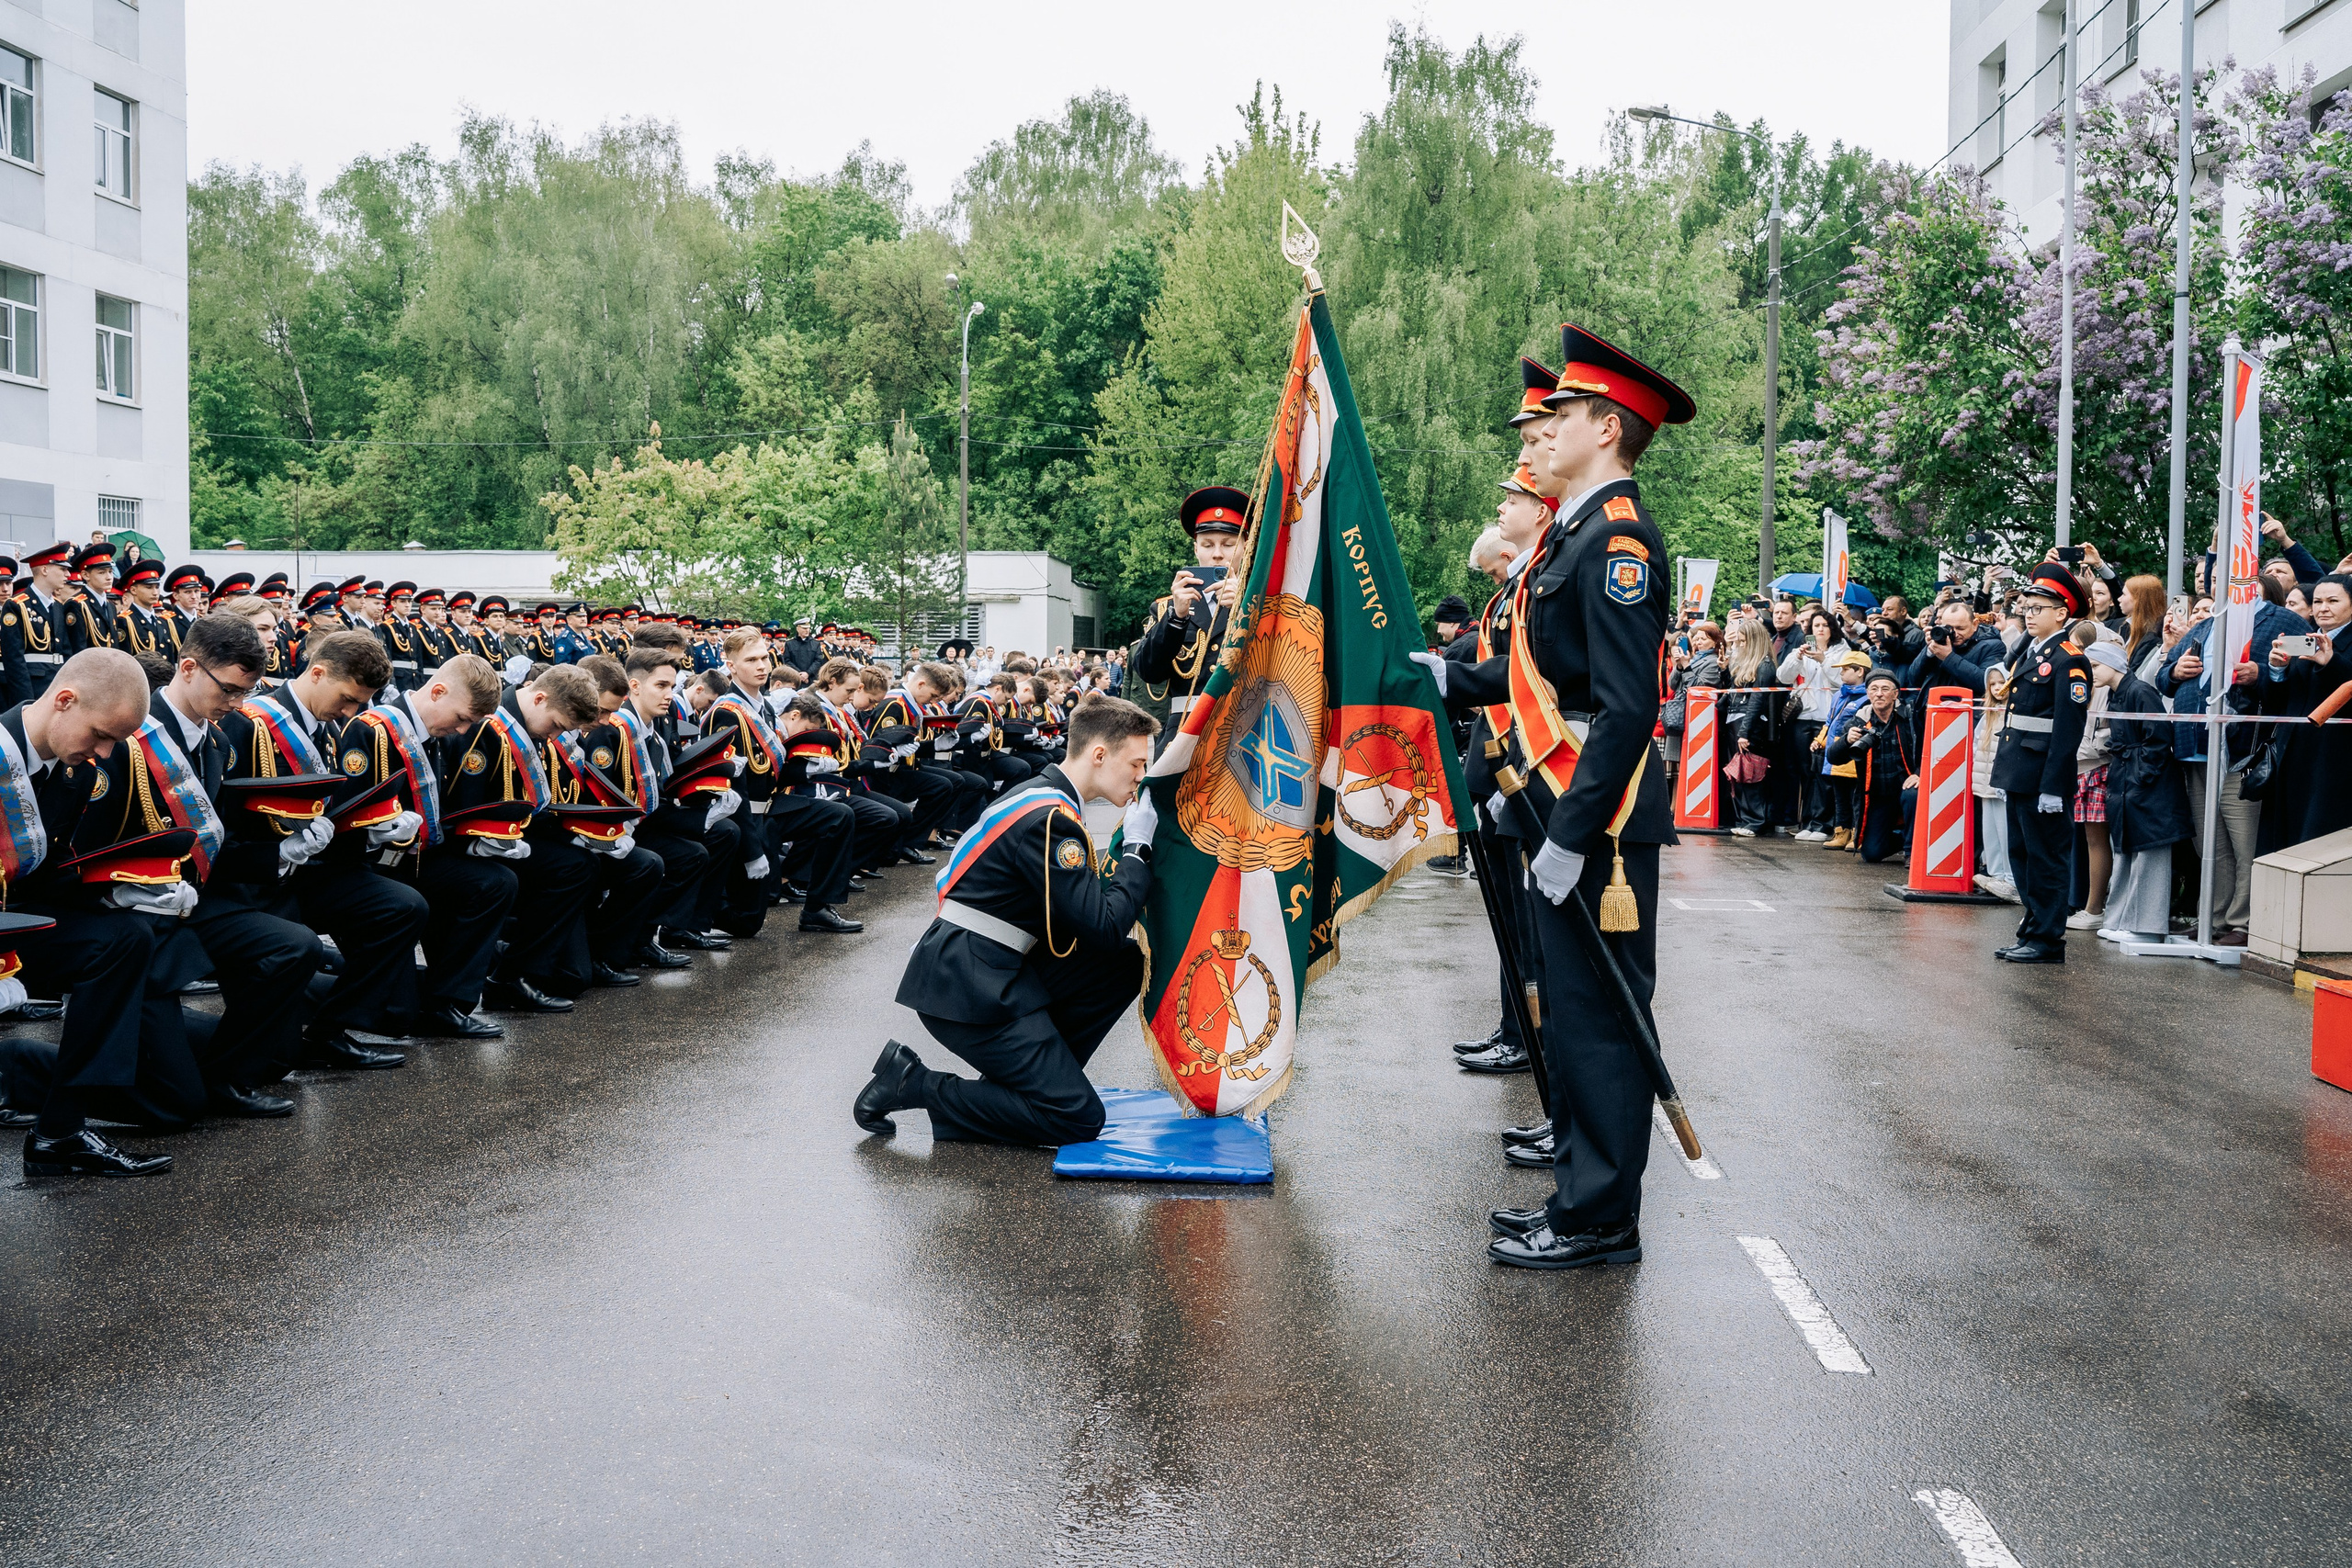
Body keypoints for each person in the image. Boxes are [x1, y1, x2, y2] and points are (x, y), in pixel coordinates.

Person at [1467, 321, 1691, 1271]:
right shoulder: (1579, 532)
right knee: (1571, 1007)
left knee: (1599, 1020)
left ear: (1606, 428)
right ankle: (1577, 1191)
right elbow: (1539, 676)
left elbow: (1626, 708)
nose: (1545, 430)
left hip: (1598, 815)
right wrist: (1446, 678)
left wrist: (1569, 832)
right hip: (1565, 802)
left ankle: (1600, 1218)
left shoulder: (1618, 539)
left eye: (1563, 414)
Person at [854, 694, 1159, 1145]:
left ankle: (1033, 1084)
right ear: (1099, 754)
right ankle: (913, 1083)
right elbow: (1103, 925)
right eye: (1136, 763)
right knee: (1076, 1118)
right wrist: (1137, 849)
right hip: (966, 984)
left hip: (987, 965)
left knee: (1123, 962)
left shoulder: (1045, 797)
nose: (1141, 776)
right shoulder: (1051, 820)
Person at [6, 648, 187, 1177]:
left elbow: (47, 873)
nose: (106, 753)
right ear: (65, 700)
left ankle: (61, 1131)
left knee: (125, 938)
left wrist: (118, 893)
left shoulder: (76, 771)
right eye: (102, 735)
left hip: (15, 922)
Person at [1987, 562, 2092, 964]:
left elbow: (2067, 730)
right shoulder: (2033, 653)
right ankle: (2032, 930)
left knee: (2046, 859)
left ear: (2062, 614)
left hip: (2043, 775)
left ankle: (2048, 939)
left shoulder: (2069, 659)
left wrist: (2052, 785)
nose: (2028, 615)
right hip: (2020, 770)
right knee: (2023, 857)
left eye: (2037, 608)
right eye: (2026, 608)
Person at [2089, 637, 2190, 943]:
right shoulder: (2118, 693)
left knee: (2149, 851)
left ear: (2113, 665)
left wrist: (2142, 774)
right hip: (2129, 779)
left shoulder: (2140, 692)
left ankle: (2146, 926)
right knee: (2126, 850)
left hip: (2144, 783)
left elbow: (2158, 737)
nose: (2090, 672)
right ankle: (2121, 918)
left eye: (2095, 665)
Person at [1133, 486, 1249, 752]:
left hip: (1243, 730)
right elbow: (1149, 671)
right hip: (1183, 735)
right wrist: (1177, 616)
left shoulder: (1262, 603)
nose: (1217, 554)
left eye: (1228, 544)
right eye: (1207, 545)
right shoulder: (1167, 607)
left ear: (1245, 546)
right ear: (1196, 549)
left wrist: (1244, 609)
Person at [2256, 572, 2352, 856]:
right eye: (2318, 602)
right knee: (2286, 843)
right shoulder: (2304, 640)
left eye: (2333, 601)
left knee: (2322, 845)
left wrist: (2331, 662)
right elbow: (2277, 702)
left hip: (2335, 759)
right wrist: (2276, 670)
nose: (2323, 608)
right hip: (2292, 755)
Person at [1825, 668, 1919, 863]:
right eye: (1874, 689)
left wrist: (1920, 773)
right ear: (1868, 693)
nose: (1879, 694)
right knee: (1871, 853)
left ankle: (1912, 852)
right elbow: (1834, 758)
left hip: (1907, 787)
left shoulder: (1910, 716)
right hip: (1879, 795)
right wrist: (1846, 741)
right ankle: (1905, 840)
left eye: (1885, 689)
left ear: (1895, 694)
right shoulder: (1859, 721)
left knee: (1913, 794)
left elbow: (1929, 748)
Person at [1777, 607, 1848, 841]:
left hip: (1827, 718)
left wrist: (1824, 660)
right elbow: (1783, 677)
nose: (1820, 629)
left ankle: (1823, 824)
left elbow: (1842, 680)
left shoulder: (1842, 650)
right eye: (1816, 626)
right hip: (1802, 717)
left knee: (1822, 772)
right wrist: (1797, 658)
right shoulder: (1801, 649)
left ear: (1832, 629)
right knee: (1805, 772)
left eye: (1824, 625)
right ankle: (1807, 822)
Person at [1719, 617, 1782, 838]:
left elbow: (1757, 700)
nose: (1740, 645)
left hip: (1750, 724)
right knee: (1739, 774)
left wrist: (1745, 732)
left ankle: (1754, 821)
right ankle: (1744, 819)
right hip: (1737, 720)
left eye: (1744, 641)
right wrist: (1725, 670)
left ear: (1754, 640)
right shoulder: (1748, 662)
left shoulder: (1764, 665)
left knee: (1751, 774)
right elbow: (1734, 690)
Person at [1, 542, 78, 706]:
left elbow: (66, 652)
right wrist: (26, 701)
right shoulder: (17, 605)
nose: (67, 574)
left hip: (57, 686)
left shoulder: (58, 606)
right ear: (44, 570)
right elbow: (14, 661)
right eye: (62, 569)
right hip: (34, 688)